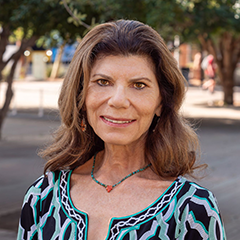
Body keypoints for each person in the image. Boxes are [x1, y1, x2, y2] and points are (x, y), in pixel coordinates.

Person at [17, 20, 226, 240]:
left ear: (161, 103)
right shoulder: (42, 197)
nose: (118, 101)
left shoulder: (192, 210)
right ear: (81, 96)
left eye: (139, 85)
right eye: (103, 81)